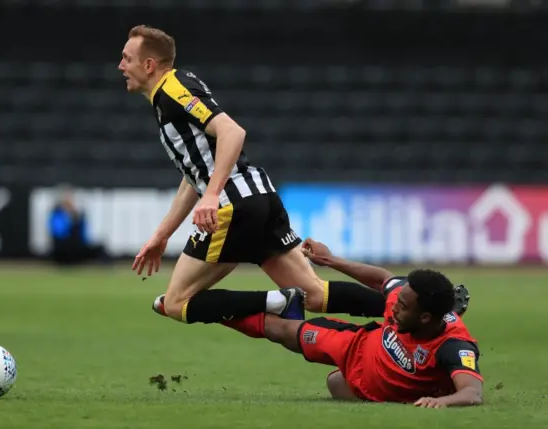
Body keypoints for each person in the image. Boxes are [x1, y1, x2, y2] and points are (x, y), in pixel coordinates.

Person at [119, 24, 374, 325]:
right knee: (313, 294)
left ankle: (279, 301)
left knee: (175, 302)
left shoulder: (173, 89)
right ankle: (403, 303)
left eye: (127, 58)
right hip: (259, 196)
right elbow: (195, 175)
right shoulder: (167, 99)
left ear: (149, 65)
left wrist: (212, 195)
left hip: (234, 204)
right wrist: (161, 236)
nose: (121, 66)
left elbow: (232, 132)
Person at [217, 238, 482, 407]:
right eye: (397, 302)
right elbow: (383, 280)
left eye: (403, 306)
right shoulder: (407, 301)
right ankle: (209, 309)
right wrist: (330, 260)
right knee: (282, 329)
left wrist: (444, 402)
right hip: (358, 345)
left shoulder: (454, 346)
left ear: (426, 317)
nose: (393, 308)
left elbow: (471, 393)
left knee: (335, 383)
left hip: (370, 386)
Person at [48, 186, 110, 266]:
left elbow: (84, 237)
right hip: (62, 250)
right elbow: (58, 233)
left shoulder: (77, 216)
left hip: (76, 249)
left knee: (100, 247)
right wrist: (69, 220)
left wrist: (77, 218)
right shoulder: (57, 214)